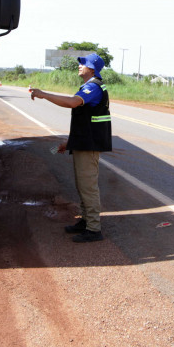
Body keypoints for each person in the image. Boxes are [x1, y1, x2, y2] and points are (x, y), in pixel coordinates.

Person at [29, 54, 112, 243]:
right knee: (82, 185)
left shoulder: (93, 87)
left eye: (83, 64)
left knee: (88, 187)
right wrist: (69, 142)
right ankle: (85, 222)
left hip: (89, 144)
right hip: (83, 142)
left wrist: (44, 94)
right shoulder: (89, 86)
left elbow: (72, 103)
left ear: (92, 69)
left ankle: (93, 229)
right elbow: (84, 121)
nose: (79, 66)